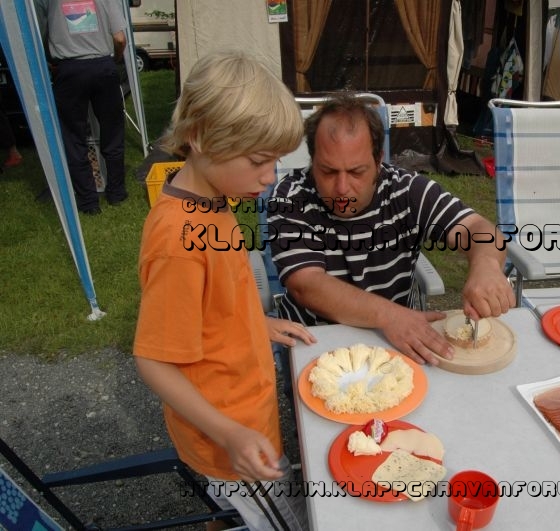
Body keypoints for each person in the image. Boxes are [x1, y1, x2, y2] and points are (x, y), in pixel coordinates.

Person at [133, 50, 315, 531]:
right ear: (196, 138)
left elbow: (215, 303)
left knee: (245, 508)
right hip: (227, 432)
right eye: (258, 161)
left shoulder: (213, 199)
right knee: (286, 522)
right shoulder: (178, 241)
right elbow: (154, 359)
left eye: (275, 160)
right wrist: (229, 433)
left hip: (243, 412)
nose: (270, 176)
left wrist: (256, 322)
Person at [269, 94, 515, 366]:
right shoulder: (292, 196)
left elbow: (476, 228)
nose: (341, 188)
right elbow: (307, 285)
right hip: (316, 343)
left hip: (397, 341)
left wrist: (487, 265)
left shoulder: (406, 190)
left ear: (378, 161)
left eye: (356, 171)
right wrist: (389, 315)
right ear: (312, 161)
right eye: (327, 171)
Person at [34, 0, 128, 214]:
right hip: (103, 65)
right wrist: (115, 59)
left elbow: (38, 33)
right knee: (112, 131)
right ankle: (116, 193)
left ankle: (88, 202)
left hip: (69, 69)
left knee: (73, 137)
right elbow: (120, 38)